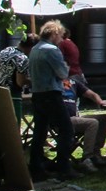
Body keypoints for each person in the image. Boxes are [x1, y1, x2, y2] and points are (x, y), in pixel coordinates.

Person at [27, 21, 77, 179]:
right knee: (66, 130)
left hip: (37, 94)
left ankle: (35, 167)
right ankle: (63, 167)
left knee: (40, 132)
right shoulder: (52, 50)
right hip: (51, 93)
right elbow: (62, 73)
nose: (62, 39)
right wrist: (65, 68)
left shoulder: (34, 49)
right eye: (61, 36)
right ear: (54, 33)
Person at [63, 78, 106, 172]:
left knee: (104, 118)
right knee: (92, 123)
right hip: (64, 120)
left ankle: (95, 152)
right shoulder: (52, 83)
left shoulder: (72, 82)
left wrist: (100, 102)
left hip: (75, 117)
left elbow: (92, 94)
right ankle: (87, 157)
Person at [0, 34, 36, 125]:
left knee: (0, 126)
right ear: (31, 47)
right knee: (13, 127)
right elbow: (20, 82)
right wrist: (32, 82)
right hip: (13, 96)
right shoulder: (22, 58)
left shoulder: (5, 51)